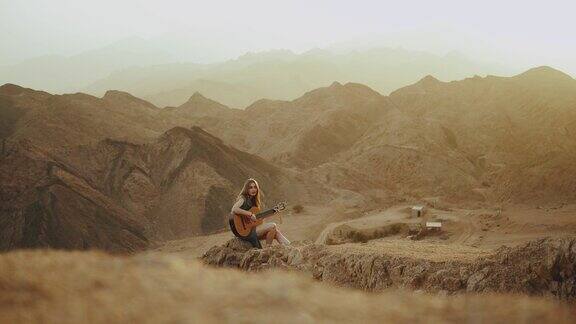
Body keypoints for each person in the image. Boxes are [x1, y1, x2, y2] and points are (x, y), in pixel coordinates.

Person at [229, 178, 290, 248]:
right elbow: (234, 209)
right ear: (246, 189)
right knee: (273, 225)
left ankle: (290, 246)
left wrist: (274, 211)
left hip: (251, 230)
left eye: (255, 187)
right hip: (245, 232)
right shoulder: (243, 199)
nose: (253, 189)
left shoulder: (253, 202)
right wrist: (250, 214)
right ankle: (267, 249)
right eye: (251, 187)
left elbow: (257, 219)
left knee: (275, 232)